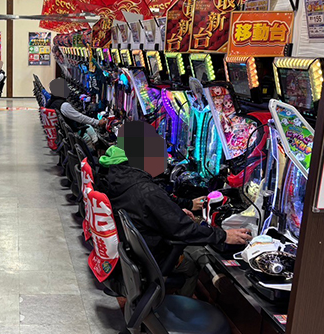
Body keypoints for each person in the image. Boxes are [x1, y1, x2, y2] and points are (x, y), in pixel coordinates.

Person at [97, 121, 252, 298]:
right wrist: (224, 235)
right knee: (191, 259)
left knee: (192, 246)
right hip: (151, 257)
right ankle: (177, 308)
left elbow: (152, 207)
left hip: (131, 252)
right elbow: (183, 230)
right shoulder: (146, 191)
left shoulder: (117, 174)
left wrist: (177, 210)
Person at [46, 77, 107, 150]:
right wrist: (97, 122)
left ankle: (97, 149)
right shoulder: (64, 105)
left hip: (67, 133)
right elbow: (80, 118)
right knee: (90, 135)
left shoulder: (52, 101)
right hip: (73, 134)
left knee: (90, 128)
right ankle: (94, 152)